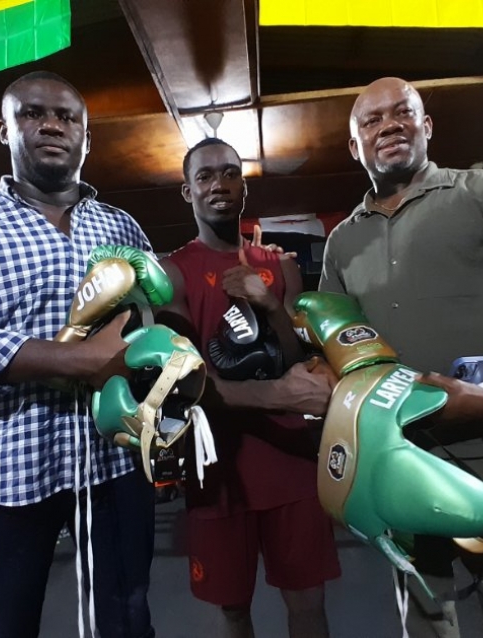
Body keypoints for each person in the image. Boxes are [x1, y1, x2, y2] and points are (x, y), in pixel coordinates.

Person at [320, 77, 483, 637]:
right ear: (354, 146)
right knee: (427, 622)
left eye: (403, 112)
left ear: (427, 126)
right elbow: (337, 344)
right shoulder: (342, 241)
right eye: (371, 120)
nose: (390, 125)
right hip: (398, 453)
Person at [0, 71, 156, 638]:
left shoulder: (122, 227)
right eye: (32, 113)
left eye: (67, 117)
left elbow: (148, 322)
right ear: (5, 130)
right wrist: (78, 360)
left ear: (87, 137)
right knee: (7, 625)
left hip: (112, 461)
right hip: (6, 469)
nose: (51, 125)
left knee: (128, 619)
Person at [155, 138, 341, 638]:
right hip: (219, 468)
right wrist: (278, 394)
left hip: (291, 460)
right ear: (187, 191)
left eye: (230, 173)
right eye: (204, 176)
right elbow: (183, 378)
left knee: (308, 601)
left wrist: (271, 304)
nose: (218, 184)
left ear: (244, 187)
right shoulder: (173, 273)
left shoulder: (280, 266)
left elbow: (300, 357)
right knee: (233, 609)